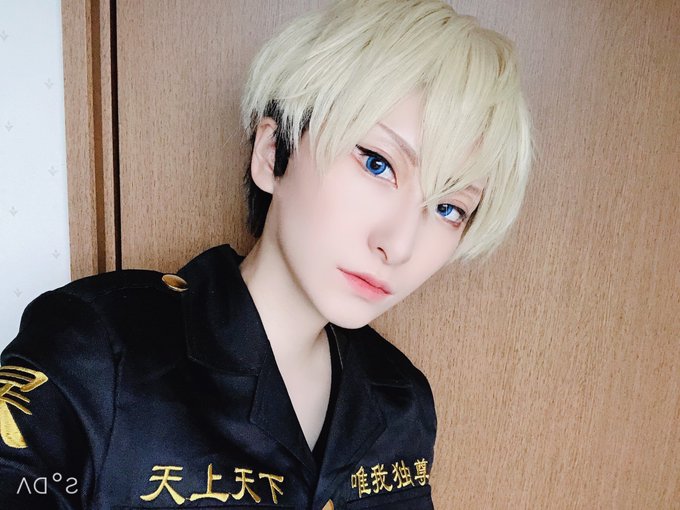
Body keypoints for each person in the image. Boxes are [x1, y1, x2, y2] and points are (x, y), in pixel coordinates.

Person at [0, 0, 532, 508]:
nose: (399, 246)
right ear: (273, 153)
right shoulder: (96, 347)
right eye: (377, 163)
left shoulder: (401, 401)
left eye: (448, 208)